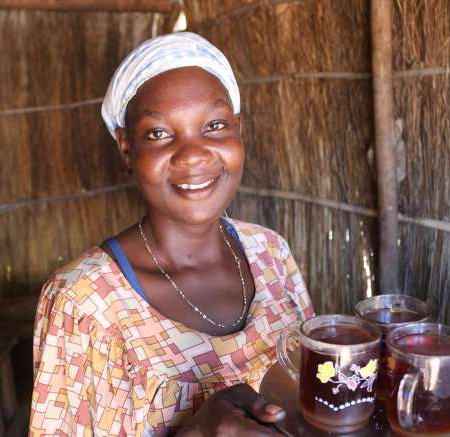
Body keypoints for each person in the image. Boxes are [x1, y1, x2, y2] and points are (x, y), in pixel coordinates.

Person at [29, 32, 314, 436]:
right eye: (159, 133)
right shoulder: (85, 304)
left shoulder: (271, 253)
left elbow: (312, 395)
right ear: (127, 149)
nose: (194, 154)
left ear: (239, 129)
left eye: (214, 125)